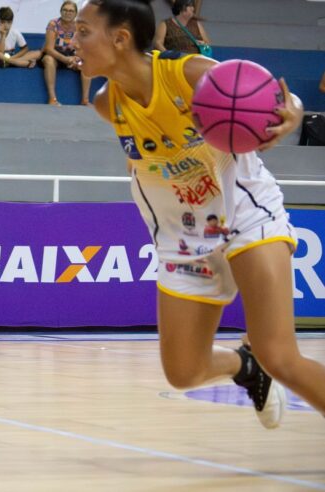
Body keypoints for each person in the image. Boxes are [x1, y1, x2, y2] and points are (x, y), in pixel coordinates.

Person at [71, 0, 325, 428]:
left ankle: (261, 360)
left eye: (82, 31)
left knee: (279, 354)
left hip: (244, 215)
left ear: (120, 38)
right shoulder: (105, 103)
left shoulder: (184, 73)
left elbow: (265, 93)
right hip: (185, 240)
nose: (71, 40)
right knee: (183, 371)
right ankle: (245, 367)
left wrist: (292, 111)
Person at [42, 1, 91, 106]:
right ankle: (52, 99)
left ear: (75, 13)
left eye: (71, 11)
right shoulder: (53, 24)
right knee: (48, 60)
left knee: (87, 63)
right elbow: (49, 49)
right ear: (61, 11)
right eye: (65, 10)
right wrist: (64, 59)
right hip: (55, 55)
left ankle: (85, 100)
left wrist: (76, 58)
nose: (67, 13)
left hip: (72, 56)